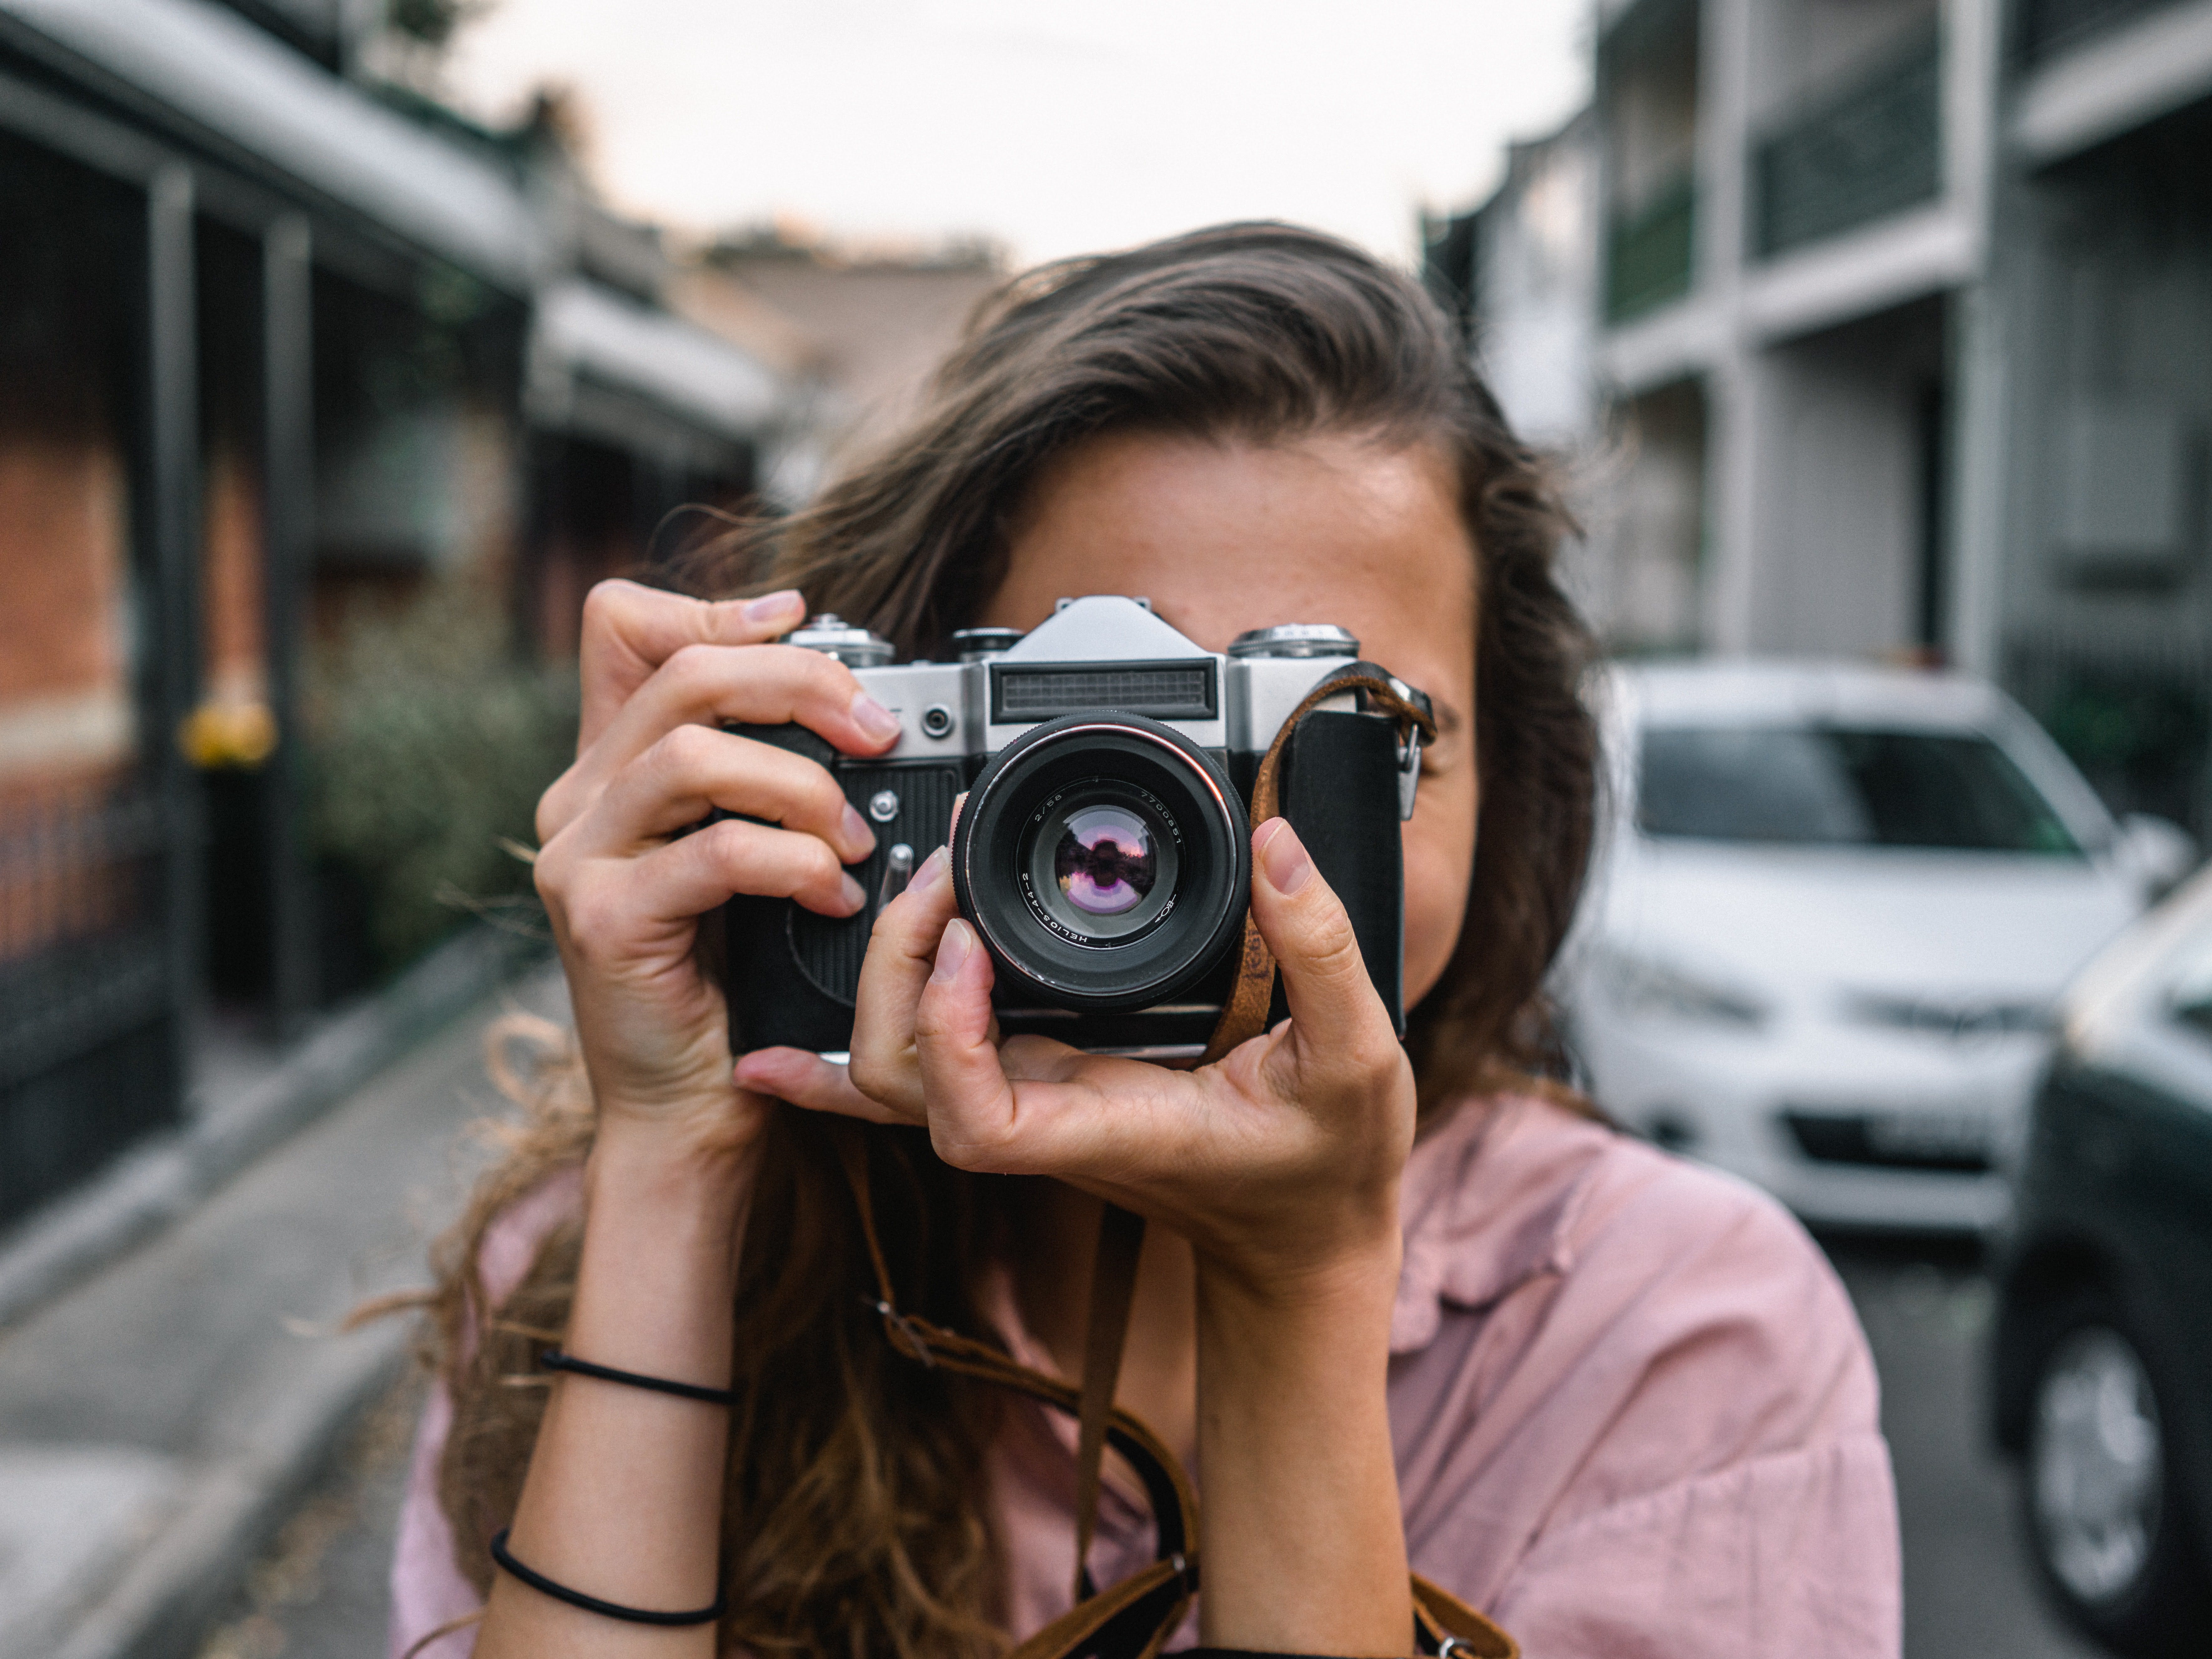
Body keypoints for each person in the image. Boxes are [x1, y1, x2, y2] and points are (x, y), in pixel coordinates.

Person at [390, 223, 1900, 1659]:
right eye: (1098, 741)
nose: (1205, 850)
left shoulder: (1680, 1337)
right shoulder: (590, 1264)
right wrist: (676, 1167)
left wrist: (1297, 1283)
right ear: (892, 747)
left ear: (1510, 789)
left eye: (1347, 739)